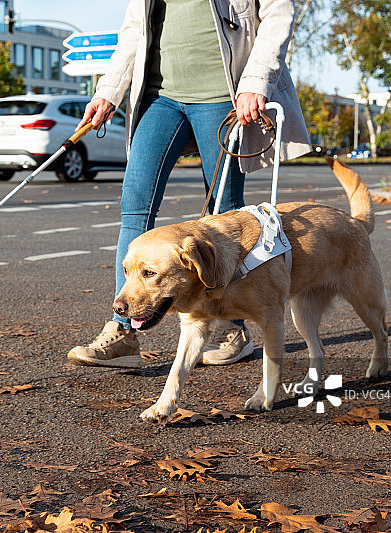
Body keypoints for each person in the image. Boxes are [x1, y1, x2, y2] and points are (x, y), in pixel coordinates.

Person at [67, 0, 311, 369]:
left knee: (225, 212)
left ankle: (232, 327)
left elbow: (278, 13)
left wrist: (257, 81)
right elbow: (135, 29)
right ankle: (123, 332)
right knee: (135, 205)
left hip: (223, 91)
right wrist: (108, 91)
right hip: (159, 96)